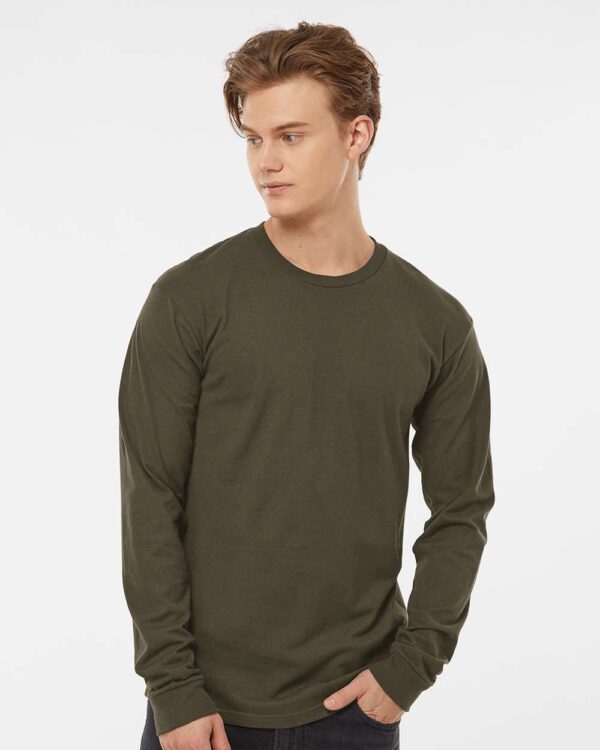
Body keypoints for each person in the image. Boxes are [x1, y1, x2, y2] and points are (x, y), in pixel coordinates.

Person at [118, 20, 495, 750]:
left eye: (291, 136)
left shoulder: (435, 324)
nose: (266, 161)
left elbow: (462, 508)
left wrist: (411, 668)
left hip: (354, 712)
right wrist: (172, 688)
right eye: (254, 139)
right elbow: (150, 500)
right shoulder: (189, 300)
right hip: (204, 712)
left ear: (357, 134)